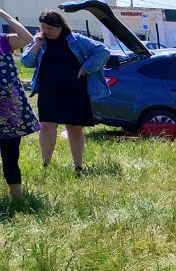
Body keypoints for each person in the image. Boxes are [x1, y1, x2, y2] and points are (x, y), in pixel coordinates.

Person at [21, 10, 111, 174]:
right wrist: (36, 45)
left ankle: (78, 167)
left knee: (74, 128)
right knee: (46, 126)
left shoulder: (76, 40)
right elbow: (26, 62)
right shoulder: (40, 41)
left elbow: (103, 51)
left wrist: (86, 67)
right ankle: (46, 165)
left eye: (50, 28)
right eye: (43, 27)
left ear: (60, 26)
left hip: (75, 90)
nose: (46, 31)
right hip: (49, 90)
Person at [0, 9, 38, 200]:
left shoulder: (3, 41)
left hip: (8, 110)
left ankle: (17, 199)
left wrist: (4, 16)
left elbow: (27, 38)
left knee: (10, 156)